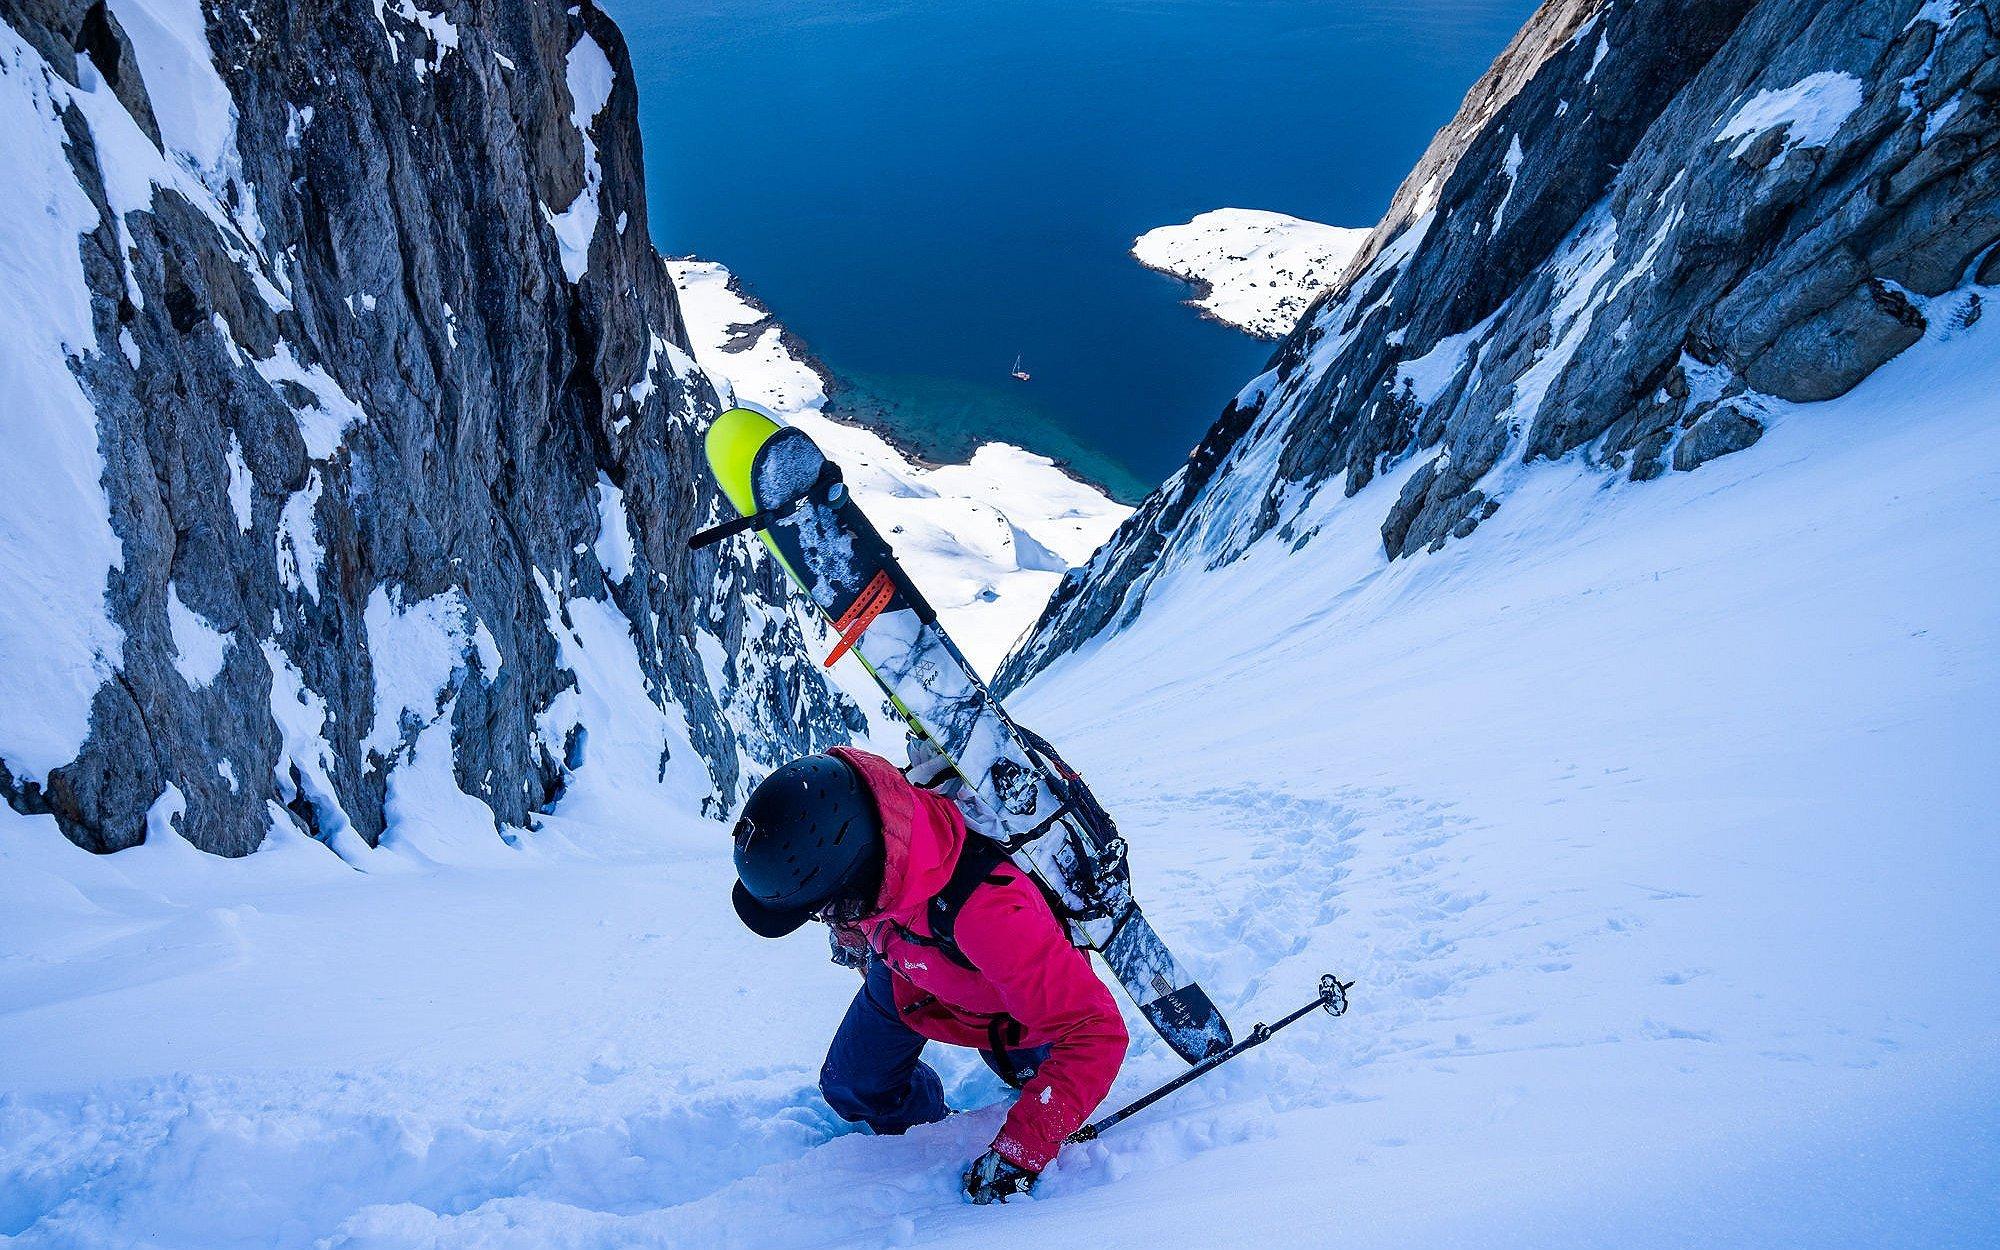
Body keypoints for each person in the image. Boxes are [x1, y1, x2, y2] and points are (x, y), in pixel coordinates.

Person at [730, 746, 1128, 1204]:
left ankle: (1011, 1062)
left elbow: (1096, 1031)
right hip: (911, 976)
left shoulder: (990, 912)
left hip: (1004, 999)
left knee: (1035, 1074)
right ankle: (933, 1131)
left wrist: (1021, 1151)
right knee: (853, 1085)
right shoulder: (874, 846)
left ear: (856, 876)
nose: (830, 921)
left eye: (827, 908)